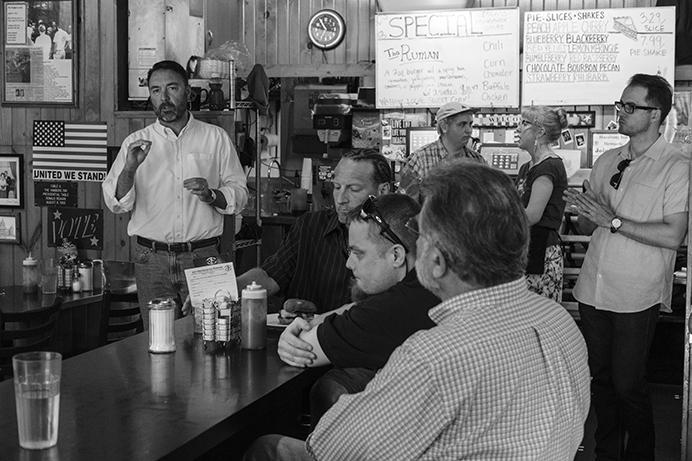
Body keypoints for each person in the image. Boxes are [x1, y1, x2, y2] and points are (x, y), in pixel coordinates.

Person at [244, 161, 590, 461]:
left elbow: (333, 448)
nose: (414, 245)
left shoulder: (434, 356)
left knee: (268, 449)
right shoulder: (558, 320)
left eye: (420, 235)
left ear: (436, 261)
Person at [564, 73, 688, 460]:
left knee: (628, 384)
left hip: (637, 291)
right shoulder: (606, 161)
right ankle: (605, 452)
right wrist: (583, 212)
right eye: (621, 104)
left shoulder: (676, 166)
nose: (621, 112)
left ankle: (640, 454)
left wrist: (613, 221)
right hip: (592, 287)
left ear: (656, 115)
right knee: (599, 381)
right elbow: (592, 223)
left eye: (630, 107)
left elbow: (673, 235)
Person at [102, 60, 247, 329]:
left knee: (213, 337)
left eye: (172, 88)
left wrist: (212, 194)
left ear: (188, 91)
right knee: (159, 342)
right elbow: (117, 203)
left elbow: (240, 193)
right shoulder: (135, 143)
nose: (164, 98)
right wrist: (130, 169)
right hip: (151, 259)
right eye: (156, 90)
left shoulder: (215, 138)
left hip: (204, 256)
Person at [276, 193, 439, 426]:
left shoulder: (391, 311)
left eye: (358, 253)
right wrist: (320, 318)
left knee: (266, 448)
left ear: (396, 255)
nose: (348, 263)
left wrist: (295, 333)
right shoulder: (433, 281)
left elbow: (304, 348)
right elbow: (360, 308)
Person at [234, 149, 392, 314]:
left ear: (383, 190)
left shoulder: (394, 239)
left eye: (353, 189)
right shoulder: (310, 226)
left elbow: (386, 306)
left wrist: (324, 319)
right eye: (337, 187)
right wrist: (225, 288)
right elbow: (271, 276)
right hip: (301, 336)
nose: (340, 199)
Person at [515, 106, 569, 301]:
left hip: (541, 255)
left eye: (524, 123)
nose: (518, 129)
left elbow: (532, 215)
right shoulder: (526, 167)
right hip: (525, 251)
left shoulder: (549, 167)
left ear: (540, 132)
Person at [398, 100, 484, 200]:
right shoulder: (420, 160)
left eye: (470, 124)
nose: (469, 130)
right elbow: (405, 207)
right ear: (444, 126)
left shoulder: (478, 161)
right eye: (462, 124)